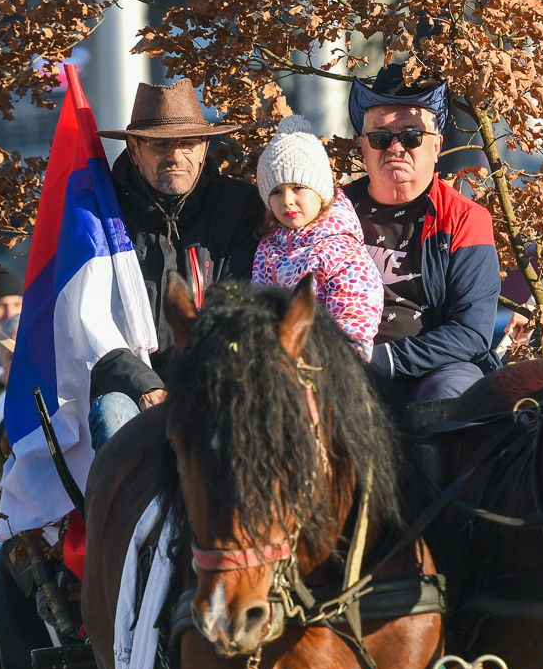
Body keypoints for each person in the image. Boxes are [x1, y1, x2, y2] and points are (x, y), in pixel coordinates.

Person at [88, 77, 263, 447]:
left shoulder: (239, 206)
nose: (175, 155)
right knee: (112, 413)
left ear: (204, 148)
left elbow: (239, 306)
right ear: (134, 150)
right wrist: (144, 385)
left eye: (187, 143)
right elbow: (87, 320)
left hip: (214, 379)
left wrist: (196, 386)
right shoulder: (97, 216)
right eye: (160, 144)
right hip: (125, 388)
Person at [343, 65, 503, 402]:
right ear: (364, 146)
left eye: (412, 135)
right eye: (380, 137)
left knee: (450, 394)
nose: (395, 147)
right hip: (341, 366)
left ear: (437, 146)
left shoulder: (465, 219)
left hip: (436, 371)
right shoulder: (331, 212)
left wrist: (385, 360)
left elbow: (471, 333)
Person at [251, 114, 384, 358]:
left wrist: (333, 364)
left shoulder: (341, 251)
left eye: (298, 188)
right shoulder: (268, 249)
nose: (287, 201)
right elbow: (257, 311)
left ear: (320, 191)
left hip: (326, 366)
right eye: (277, 192)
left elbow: (354, 318)